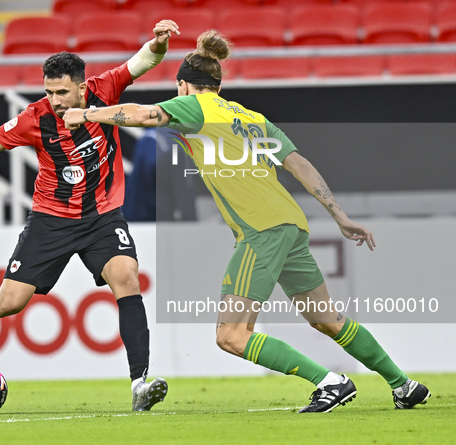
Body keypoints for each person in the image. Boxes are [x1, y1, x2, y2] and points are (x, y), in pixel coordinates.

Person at [62, 30, 431, 413]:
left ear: (184, 85)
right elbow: (298, 164)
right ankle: (403, 385)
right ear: (218, 85)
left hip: (261, 230)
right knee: (327, 318)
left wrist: (86, 113)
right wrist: (339, 214)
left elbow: (144, 114)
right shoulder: (252, 117)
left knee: (232, 335)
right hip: (291, 223)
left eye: (179, 89)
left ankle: (330, 381)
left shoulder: (197, 107)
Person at [0, 19, 181, 412]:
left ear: (81, 86)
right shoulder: (35, 118)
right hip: (51, 220)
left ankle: (139, 383)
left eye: (62, 91)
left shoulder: (103, 90)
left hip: (101, 217)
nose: (56, 100)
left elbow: (143, 61)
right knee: (9, 303)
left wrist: (158, 43)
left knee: (126, 277)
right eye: (49, 91)